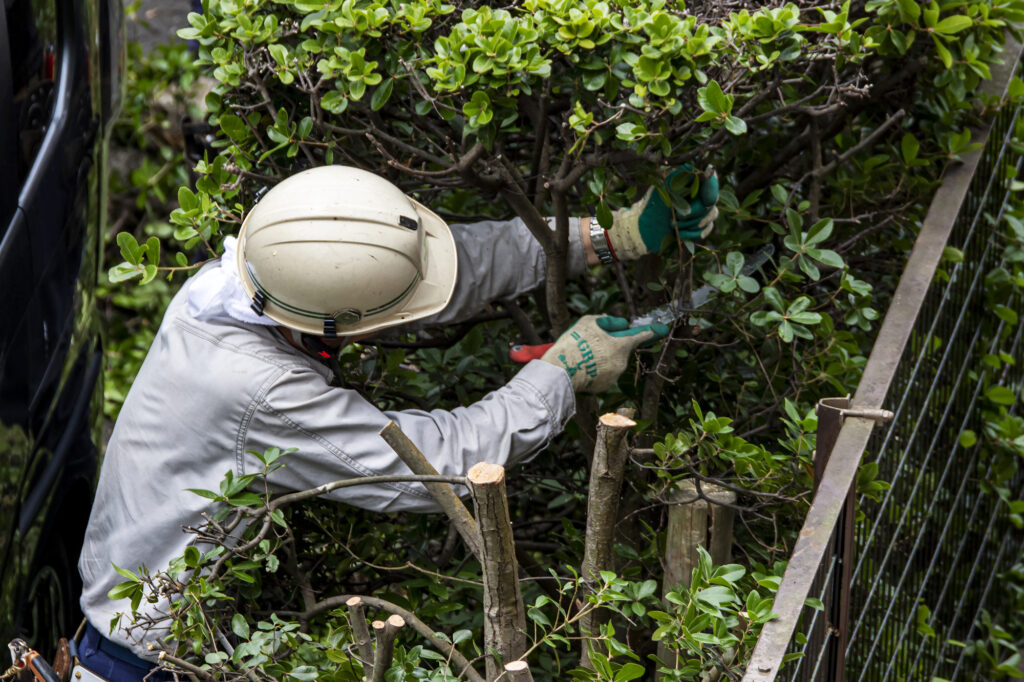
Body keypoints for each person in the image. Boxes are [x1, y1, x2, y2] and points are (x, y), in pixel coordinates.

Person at [75, 165, 719, 680]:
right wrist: (560, 372)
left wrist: (610, 235)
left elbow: (423, 273)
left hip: (145, 638)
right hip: (145, 664)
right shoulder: (257, 385)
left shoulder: (247, 279)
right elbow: (431, 467)